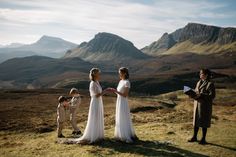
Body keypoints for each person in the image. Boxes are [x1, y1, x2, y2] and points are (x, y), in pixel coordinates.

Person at [66, 68, 108, 144]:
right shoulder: (92, 83)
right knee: (95, 117)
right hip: (95, 102)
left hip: (99, 102)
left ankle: (98, 135)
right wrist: (105, 91)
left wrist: (103, 92)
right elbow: (95, 95)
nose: (99, 75)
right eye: (98, 73)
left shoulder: (97, 82)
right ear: (95, 74)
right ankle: (93, 135)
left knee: (98, 117)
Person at [109, 67, 138, 143]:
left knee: (123, 117)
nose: (119, 74)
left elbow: (125, 95)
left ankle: (125, 135)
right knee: (119, 117)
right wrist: (114, 91)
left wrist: (115, 91)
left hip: (123, 102)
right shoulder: (121, 81)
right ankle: (120, 135)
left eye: (120, 73)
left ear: (124, 73)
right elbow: (119, 92)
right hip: (119, 101)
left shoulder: (127, 82)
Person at [188, 69, 216, 145]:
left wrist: (202, 95)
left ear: (206, 75)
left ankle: (203, 139)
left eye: (202, 74)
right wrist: (191, 94)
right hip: (197, 105)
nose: (200, 75)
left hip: (205, 106)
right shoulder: (198, 82)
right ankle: (194, 137)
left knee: (204, 122)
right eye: (200, 74)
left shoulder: (210, 84)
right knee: (196, 122)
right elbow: (196, 92)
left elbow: (212, 96)